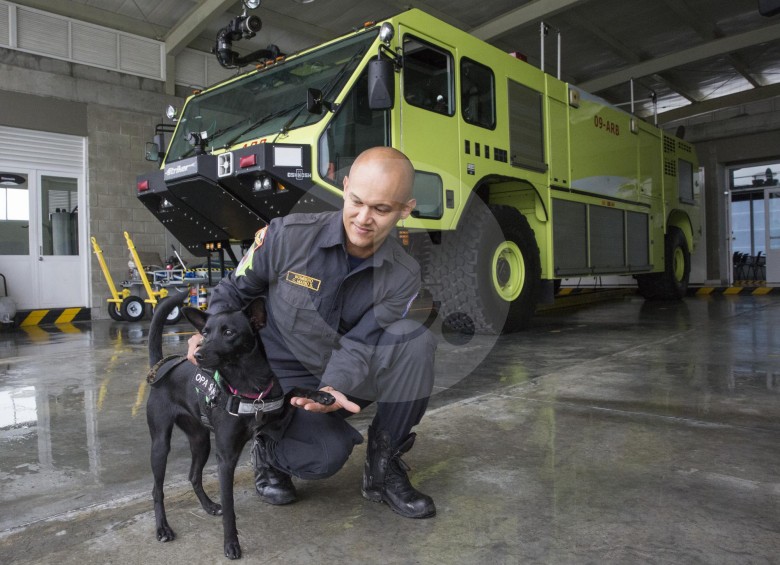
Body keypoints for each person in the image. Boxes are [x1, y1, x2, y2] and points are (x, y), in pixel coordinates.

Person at [187, 146, 437, 519]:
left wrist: (333, 387)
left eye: (382, 209)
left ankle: (384, 467)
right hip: (279, 383)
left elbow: (363, 342)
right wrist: (208, 335)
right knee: (325, 456)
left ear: (405, 209)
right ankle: (268, 449)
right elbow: (232, 292)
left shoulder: (402, 275)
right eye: (357, 201)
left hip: (344, 376)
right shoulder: (285, 237)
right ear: (345, 186)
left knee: (416, 341)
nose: (364, 218)